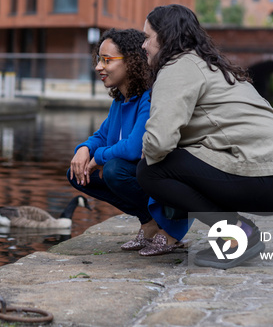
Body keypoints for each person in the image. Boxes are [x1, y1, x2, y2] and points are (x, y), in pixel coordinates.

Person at [136, 4, 273, 268]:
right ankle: (236, 234)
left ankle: (239, 235)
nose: (143, 45)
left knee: (150, 170)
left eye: (147, 37)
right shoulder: (205, 64)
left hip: (267, 176)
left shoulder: (178, 68)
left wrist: (147, 150)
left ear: (166, 37)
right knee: (165, 162)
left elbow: (159, 143)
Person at [68, 28, 191, 255]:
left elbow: (135, 147)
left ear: (132, 61)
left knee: (115, 169)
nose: (98, 67)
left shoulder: (149, 96)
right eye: (98, 60)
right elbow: (102, 135)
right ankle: (149, 223)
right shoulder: (121, 100)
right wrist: (84, 149)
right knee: (77, 173)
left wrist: (100, 157)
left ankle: (171, 228)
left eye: (107, 60)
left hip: (169, 177)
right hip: (143, 172)